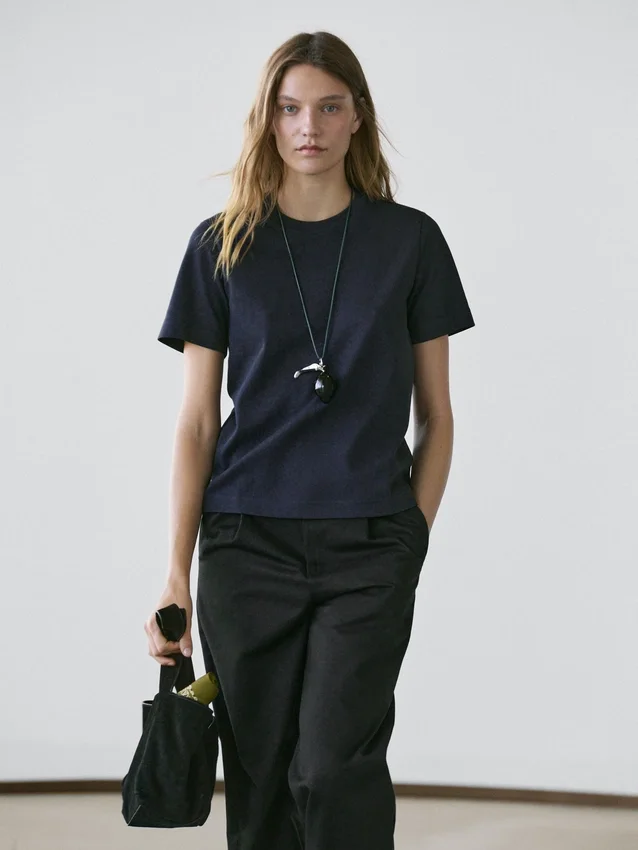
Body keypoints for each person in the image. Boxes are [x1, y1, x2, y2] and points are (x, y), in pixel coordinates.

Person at [144, 29, 475, 850]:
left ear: (358, 116)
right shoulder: (220, 244)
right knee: (259, 780)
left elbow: (437, 415)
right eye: (290, 109)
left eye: (329, 108)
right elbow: (196, 422)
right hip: (245, 546)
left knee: (332, 771)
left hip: (369, 547)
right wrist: (176, 571)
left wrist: (410, 536)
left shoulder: (411, 242)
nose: (309, 127)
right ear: (267, 119)